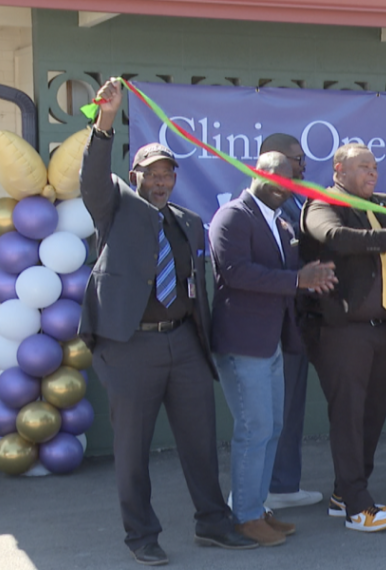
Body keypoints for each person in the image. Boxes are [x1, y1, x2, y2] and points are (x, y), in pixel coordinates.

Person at [79, 79, 255, 566]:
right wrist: (106, 120)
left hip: (183, 344)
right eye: (151, 174)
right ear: (133, 175)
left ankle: (213, 522)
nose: (160, 182)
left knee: (201, 441)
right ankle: (141, 535)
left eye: (167, 175)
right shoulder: (115, 209)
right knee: (132, 450)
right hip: (130, 347)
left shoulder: (188, 222)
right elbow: (92, 178)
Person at [208, 152, 337, 545]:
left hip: (272, 342)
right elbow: (236, 273)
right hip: (243, 341)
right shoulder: (233, 216)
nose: (284, 188)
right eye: (278, 179)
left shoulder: (279, 222)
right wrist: (298, 280)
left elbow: (286, 275)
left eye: (290, 182)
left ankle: (257, 507)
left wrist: (311, 278)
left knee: (273, 427)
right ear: (257, 174)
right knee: (255, 429)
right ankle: (245, 517)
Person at [298, 142, 386, 531]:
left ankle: (345, 491)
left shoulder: (385, 204)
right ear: (339, 169)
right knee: (348, 416)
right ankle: (357, 506)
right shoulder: (322, 203)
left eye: (375, 167)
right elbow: (336, 237)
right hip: (341, 330)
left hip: (382, 328)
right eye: (363, 166)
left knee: (372, 414)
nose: (372, 173)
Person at [258, 133, 325, 510]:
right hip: (271, 326)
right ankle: (257, 492)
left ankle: (284, 485)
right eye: (298, 160)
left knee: (291, 407)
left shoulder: (300, 201)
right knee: (269, 413)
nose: (303, 166)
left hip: (299, 322)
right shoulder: (260, 208)